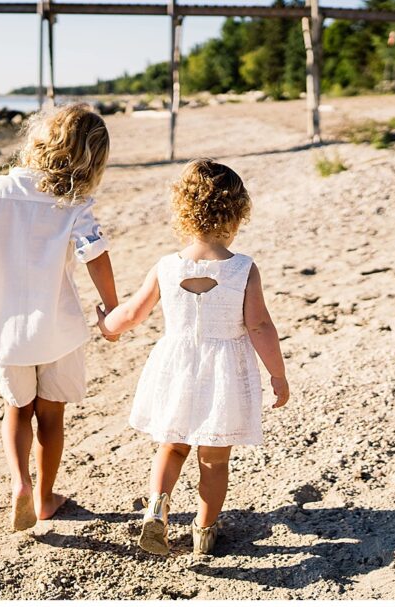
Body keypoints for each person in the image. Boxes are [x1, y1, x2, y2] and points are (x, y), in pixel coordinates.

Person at [0, 103, 119, 531]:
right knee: (51, 415)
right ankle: (46, 496)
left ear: (37, 141)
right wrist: (111, 307)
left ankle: (20, 485)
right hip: (59, 328)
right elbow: (95, 254)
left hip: (5, 330)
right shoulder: (74, 201)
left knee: (17, 410)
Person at [97, 158, 290, 556]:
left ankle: (157, 509)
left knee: (172, 447)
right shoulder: (243, 269)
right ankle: (204, 530)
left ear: (182, 212)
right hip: (224, 374)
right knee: (215, 460)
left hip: (176, 368)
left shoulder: (167, 266)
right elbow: (259, 327)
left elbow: (133, 313)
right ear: (238, 214)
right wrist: (277, 374)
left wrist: (107, 325)